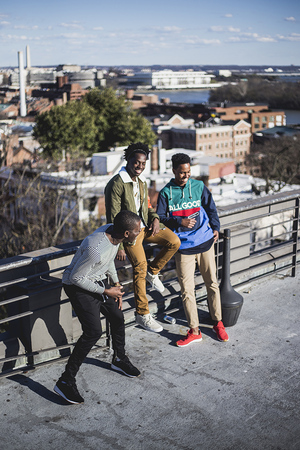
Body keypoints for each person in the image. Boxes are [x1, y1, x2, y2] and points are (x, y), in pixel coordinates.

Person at [54, 210, 142, 405]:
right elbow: (76, 278)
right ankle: (65, 381)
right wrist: (106, 292)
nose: (140, 232)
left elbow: (109, 260)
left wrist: (116, 285)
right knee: (93, 332)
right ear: (127, 233)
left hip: (98, 282)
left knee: (118, 316)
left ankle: (119, 359)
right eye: (137, 230)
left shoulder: (115, 234)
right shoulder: (96, 247)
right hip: (77, 287)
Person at [105, 142, 181, 333]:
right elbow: (112, 215)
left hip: (146, 227)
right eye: (137, 162)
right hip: (129, 233)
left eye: (143, 163)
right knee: (139, 268)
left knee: (174, 241)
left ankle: (153, 272)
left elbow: (146, 207)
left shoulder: (141, 182)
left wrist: (155, 218)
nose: (140, 166)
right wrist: (119, 246)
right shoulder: (116, 184)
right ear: (128, 160)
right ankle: (143, 315)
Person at [156, 153, 229, 347]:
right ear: (174, 171)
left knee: (212, 283)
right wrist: (179, 221)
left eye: (188, 172)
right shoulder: (166, 193)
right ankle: (194, 330)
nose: (185, 176)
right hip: (184, 248)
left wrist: (215, 227)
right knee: (187, 291)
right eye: (181, 173)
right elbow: (161, 218)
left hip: (205, 242)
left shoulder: (198, 187)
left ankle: (217, 323)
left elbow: (211, 208)